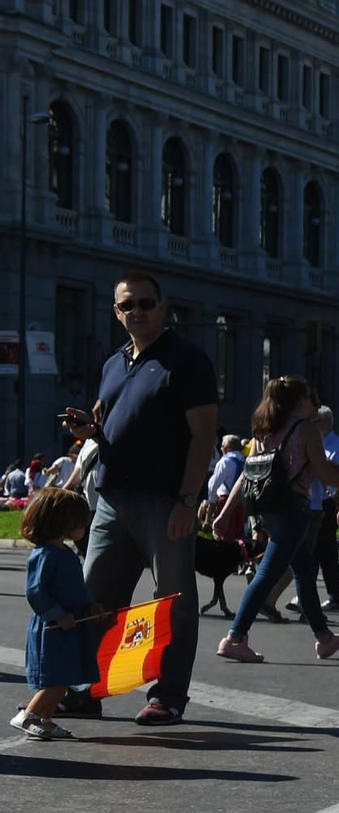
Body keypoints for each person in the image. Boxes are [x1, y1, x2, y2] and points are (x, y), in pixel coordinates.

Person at [58, 270, 216, 727]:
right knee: (93, 597)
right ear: (116, 311)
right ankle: (84, 690)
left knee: (172, 600)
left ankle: (168, 695)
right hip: (111, 498)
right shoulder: (114, 363)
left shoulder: (187, 361)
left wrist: (188, 500)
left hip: (165, 501)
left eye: (147, 303)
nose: (138, 312)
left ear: (162, 308)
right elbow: (113, 423)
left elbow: (203, 435)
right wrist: (91, 431)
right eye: (128, 305)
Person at [213, 377, 339, 663]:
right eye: (311, 398)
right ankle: (235, 638)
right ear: (300, 401)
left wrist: (225, 514)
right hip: (294, 509)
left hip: (270, 509)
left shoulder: (265, 429)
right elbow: (323, 471)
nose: (315, 404)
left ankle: (324, 639)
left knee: (304, 572)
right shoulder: (306, 429)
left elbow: (247, 474)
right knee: (266, 574)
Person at [15, 488, 101, 741]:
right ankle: (28, 715)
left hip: (71, 625)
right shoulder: (45, 555)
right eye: (81, 523)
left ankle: (45, 719)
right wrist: (57, 615)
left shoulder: (65, 552)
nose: (85, 527)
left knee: (66, 678)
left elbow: (78, 587)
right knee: (57, 679)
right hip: (54, 628)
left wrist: (90, 605)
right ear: (64, 522)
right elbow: (35, 591)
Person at [289, 406, 339, 618]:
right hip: (314, 500)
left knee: (321, 552)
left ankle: (319, 597)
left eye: (316, 422)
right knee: (320, 552)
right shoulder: (316, 441)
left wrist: (338, 498)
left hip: (327, 502)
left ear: (326, 423)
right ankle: (321, 596)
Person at [207, 434, 245, 510]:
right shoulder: (246, 461)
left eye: (222, 446)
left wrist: (211, 502)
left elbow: (214, 484)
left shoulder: (225, 461)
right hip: (243, 503)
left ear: (226, 448)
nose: (221, 449)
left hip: (225, 502)